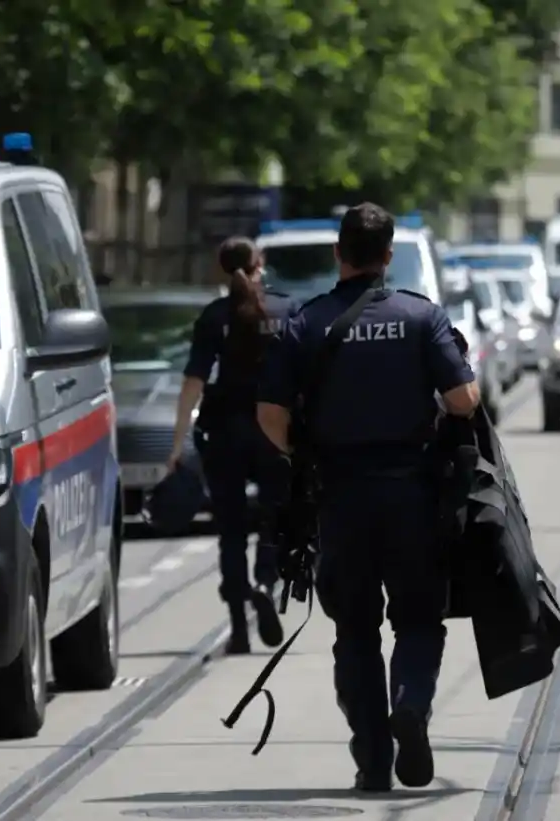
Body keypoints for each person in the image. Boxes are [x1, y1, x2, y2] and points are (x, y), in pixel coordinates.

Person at [256, 203, 480, 792]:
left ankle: (373, 760)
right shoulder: (420, 316)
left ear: (339, 253)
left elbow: (270, 414)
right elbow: (463, 401)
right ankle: (410, 702)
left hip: (341, 498)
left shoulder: (306, 324)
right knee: (418, 620)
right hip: (411, 495)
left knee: (354, 632)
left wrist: (301, 456)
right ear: (388, 256)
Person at [166, 236, 298, 655]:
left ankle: (239, 627)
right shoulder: (286, 310)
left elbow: (194, 383)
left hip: (224, 432)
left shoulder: (214, 317)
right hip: (274, 432)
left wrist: (176, 444)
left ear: (223, 268)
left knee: (231, 532)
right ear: (260, 263)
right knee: (276, 518)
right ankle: (265, 580)